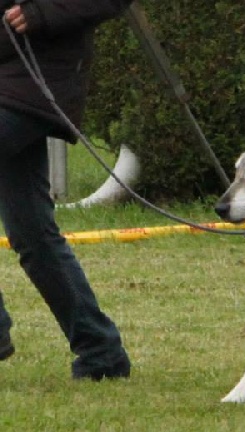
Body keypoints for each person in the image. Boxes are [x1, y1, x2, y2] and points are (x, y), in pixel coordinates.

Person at [0, 0, 133, 379]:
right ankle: (101, 354)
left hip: (33, 84)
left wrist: (41, 11)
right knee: (33, 235)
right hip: (11, 81)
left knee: (34, 235)